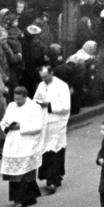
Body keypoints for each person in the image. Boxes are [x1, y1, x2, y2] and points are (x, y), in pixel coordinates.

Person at [0, 86, 44, 207]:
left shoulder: (34, 107)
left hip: (27, 143)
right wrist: (7, 127)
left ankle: (19, 201)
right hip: (12, 143)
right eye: (15, 98)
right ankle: (29, 197)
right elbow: (3, 122)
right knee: (15, 174)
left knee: (24, 173)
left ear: (25, 97)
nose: (17, 102)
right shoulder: (11, 106)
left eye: (19, 99)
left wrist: (20, 126)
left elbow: (38, 126)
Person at [32, 65, 71, 195]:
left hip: (56, 123)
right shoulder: (42, 85)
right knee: (45, 151)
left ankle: (52, 181)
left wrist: (48, 105)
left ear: (52, 73)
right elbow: (35, 99)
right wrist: (37, 103)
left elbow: (65, 106)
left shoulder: (62, 86)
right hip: (44, 122)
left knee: (54, 150)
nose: (44, 80)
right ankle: (51, 177)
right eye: (42, 77)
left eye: (46, 77)